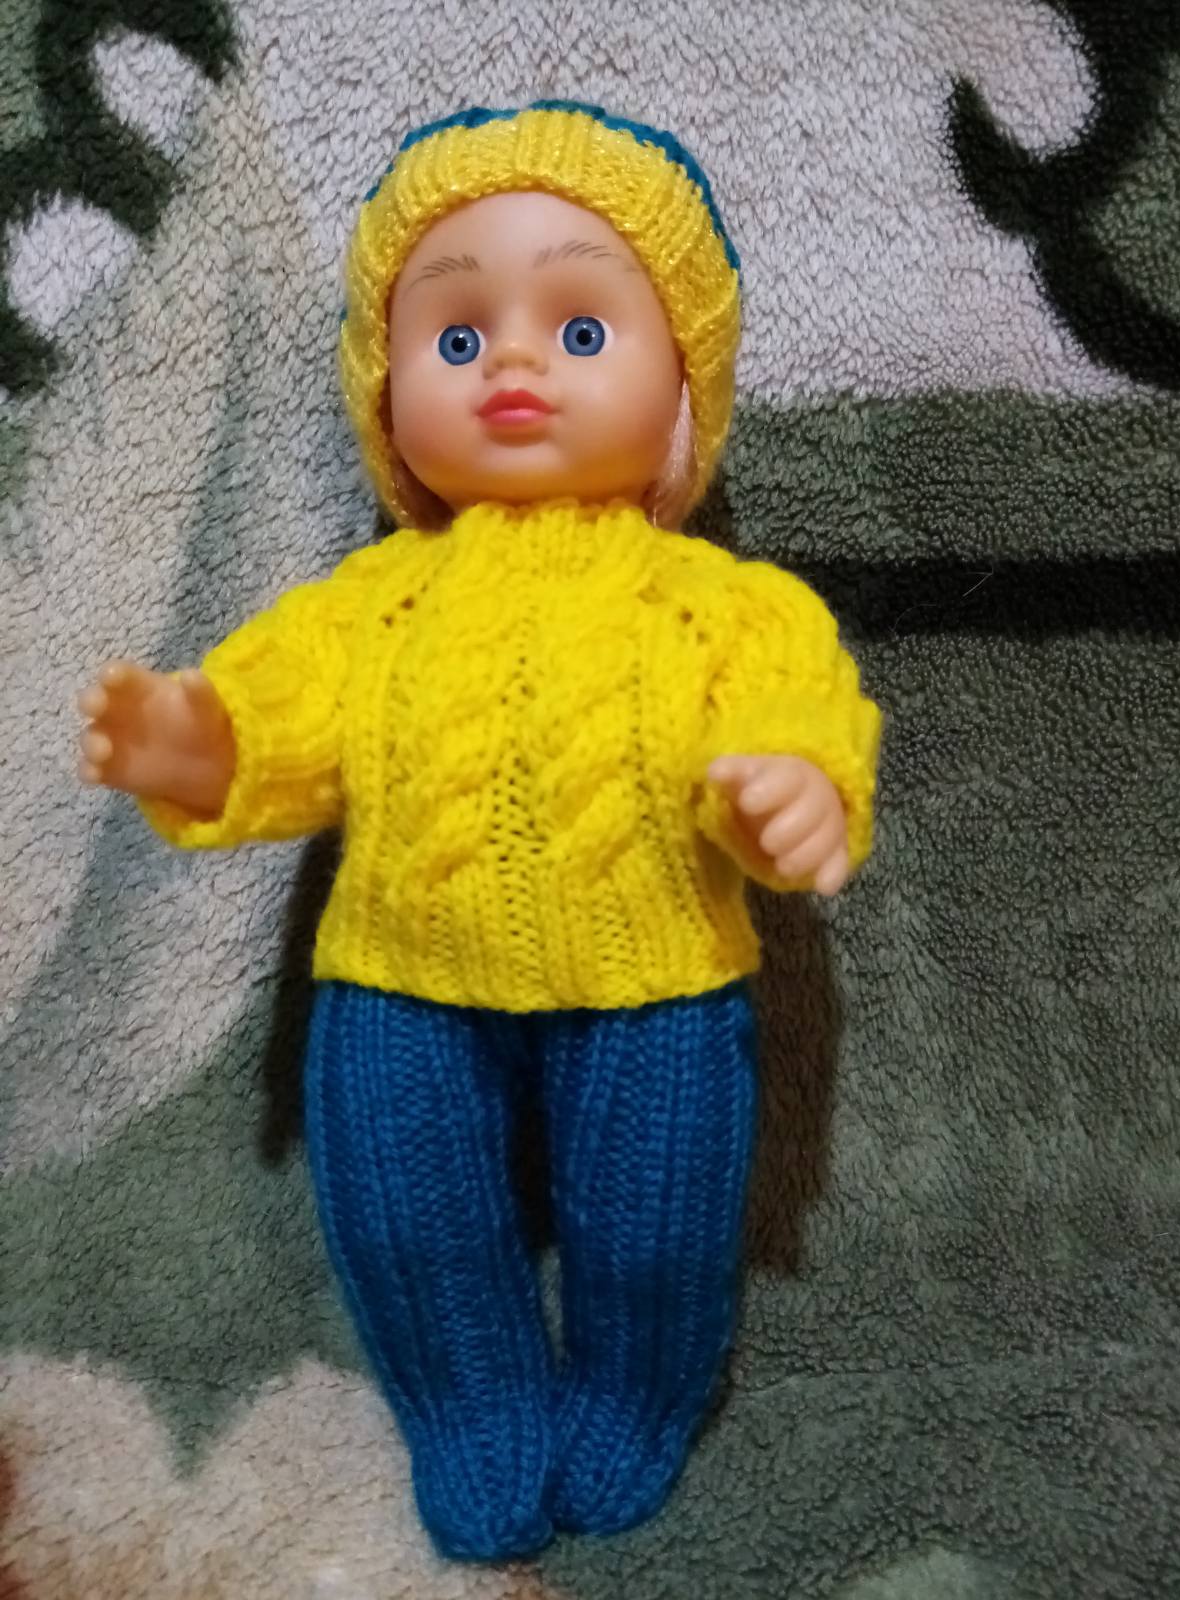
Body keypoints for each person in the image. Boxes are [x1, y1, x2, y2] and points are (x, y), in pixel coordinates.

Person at [75, 101, 882, 1561]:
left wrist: (791, 790)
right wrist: (199, 742)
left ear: (682, 389)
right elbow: (282, 712)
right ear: (388, 402)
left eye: (581, 330)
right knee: (410, 1222)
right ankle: (470, 1409)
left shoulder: (723, 602)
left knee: (656, 1229)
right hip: (399, 982)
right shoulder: (370, 600)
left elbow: (791, 704)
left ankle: (634, 1393)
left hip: (655, 986)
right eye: (455, 337)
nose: (514, 362)